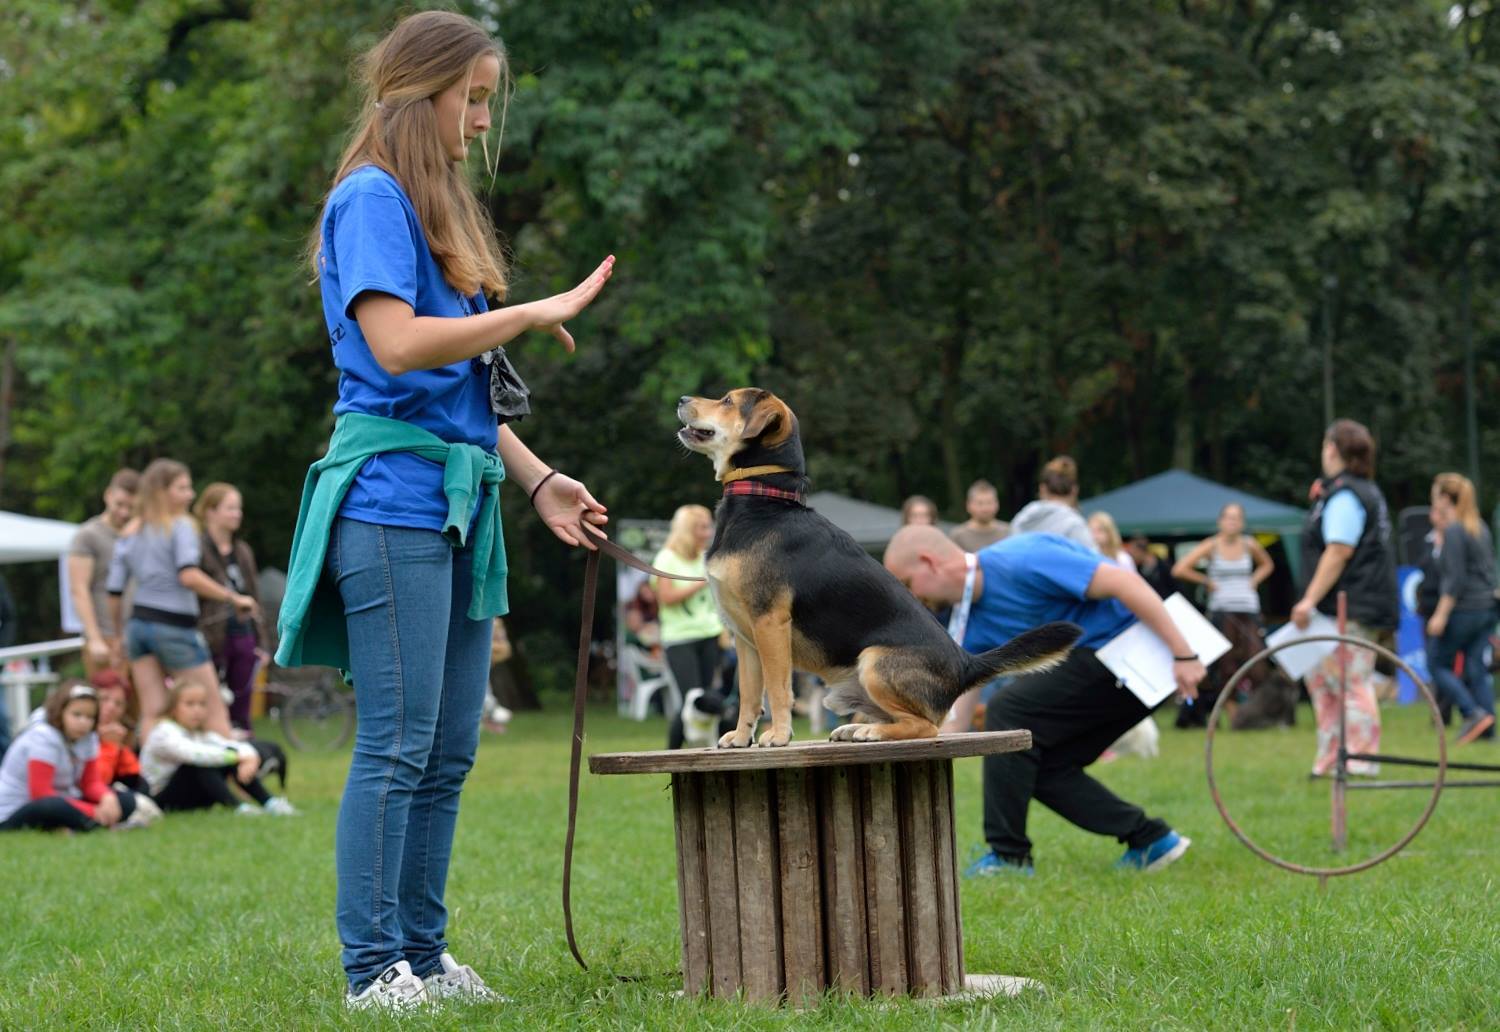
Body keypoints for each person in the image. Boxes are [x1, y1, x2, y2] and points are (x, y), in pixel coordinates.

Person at [274, 10, 614, 1011]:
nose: (478, 123)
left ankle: (423, 956)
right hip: (389, 504)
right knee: (398, 740)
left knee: (451, 746)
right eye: (471, 100)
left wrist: (543, 480)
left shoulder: (430, 211)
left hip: (462, 502)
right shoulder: (370, 196)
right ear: (422, 95)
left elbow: (463, 397)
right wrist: (531, 310)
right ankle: (372, 969)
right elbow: (396, 346)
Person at [884, 527, 1205, 875]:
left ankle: (1009, 856)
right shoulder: (971, 624)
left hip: (1129, 652)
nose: (911, 598)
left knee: (1009, 711)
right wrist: (912, 742)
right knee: (1036, 766)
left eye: (907, 583)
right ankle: (1150, 839)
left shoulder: (1023, 557)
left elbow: (1126, 584)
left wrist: (1184, 654)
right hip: (1106, 675)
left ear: (929, 563)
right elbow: (958, 716)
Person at [106, 459, 256, 746]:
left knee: (153, 712)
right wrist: (233, 597)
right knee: (214, 710)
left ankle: (152, 783)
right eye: (183, 488)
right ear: (162, 491)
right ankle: (230, 784)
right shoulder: (181, 525)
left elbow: (114, 591)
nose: (190, 495)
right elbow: (188, 575)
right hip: (173, 627)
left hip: (137, 627)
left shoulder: (130, 532)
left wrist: (117, 636)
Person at [1291, 420, 1398, 778]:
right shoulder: (1349, 492)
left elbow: (1338, 551)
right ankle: (1329, 760)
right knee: (1323, 684)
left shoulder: (1348, 495)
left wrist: (1307, 600)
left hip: (1350, 605)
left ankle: (1362, 760)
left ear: (1333, 449)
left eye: (1325, 445)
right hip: (1337, 606)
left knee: (1352, 681)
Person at [1170, 502, 1286, 728]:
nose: (1232, 522)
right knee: (1225, 666)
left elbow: (1267, 565)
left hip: (1248, 609)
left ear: (1242, 523)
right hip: (1223, 610)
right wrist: (1206, 581)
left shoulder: (1249, 544)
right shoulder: (1211, 545)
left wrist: (1253, 581)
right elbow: (1180, 568)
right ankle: (1233, 714)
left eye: (1237, 518)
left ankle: (1257, 713)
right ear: (1220, 521)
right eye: (1228, 518)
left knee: (1256, 664)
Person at [0, 683, 139, 833]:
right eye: (76, 714)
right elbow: (40, 793)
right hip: (17, 809)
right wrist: (92, 811)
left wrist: (107, 798)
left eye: (90, 717)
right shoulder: (43, 736)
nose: (83, 722)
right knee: (51, 806)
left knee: (126, 801)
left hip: (65, 799)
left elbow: (90, 782)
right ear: (60, 712)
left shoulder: (89, 737)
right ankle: (98, 823)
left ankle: (86, 824)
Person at [140, 681, 294, 815]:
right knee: (203, 763)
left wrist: (249, 757)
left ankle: (269, 803)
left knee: (223, 756)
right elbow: (192, 754)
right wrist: (238, 756)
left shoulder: (199, 734)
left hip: (195, 797)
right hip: (161, 799)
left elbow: (229, 745)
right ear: (173, 708)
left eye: (202, 704)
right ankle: (239, 808)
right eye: (190, 704)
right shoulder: (163, 732)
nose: (197, 710)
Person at [1424, 472, 1496, 745]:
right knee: (1477, 667)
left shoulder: (1454, 531)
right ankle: (1488, 729)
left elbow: (1454, 579)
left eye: (1434, 494)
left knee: (1436, 663)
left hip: (1463, 610)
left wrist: (1441, 614)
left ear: (1444, 498)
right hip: (1486, 609)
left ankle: (1471, 712)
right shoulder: (1479, 527)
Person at [194, 482, 268, 733]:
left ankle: (244, 763)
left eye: (239, 508)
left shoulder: (242, 551)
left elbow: (254, 597)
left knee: (242, 701)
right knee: (211, 700)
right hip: (211, 636)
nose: (237, 514)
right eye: (230, 508)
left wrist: (262, 642)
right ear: (210, 511)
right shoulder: (197, 549)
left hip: (243, 634)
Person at [652, 505, 724, 725]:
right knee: (692, 700)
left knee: (709, 698)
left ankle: (711, 749)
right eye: (702, 528)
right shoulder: (666, 558)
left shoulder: (707, 557)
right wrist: (701, 583)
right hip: (680, 638)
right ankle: (675, 748)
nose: (709, 533)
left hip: (710, 635)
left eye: (709, 526)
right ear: (687, 530)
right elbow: (666, 597)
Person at [67, 468, 139, 677]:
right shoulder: (88, 535)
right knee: (108, 705)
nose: (124, 512)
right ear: (108, 495)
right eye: (119, 504)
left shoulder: (141, 535)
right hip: (105, 638)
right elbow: (79, 589)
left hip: (137, 637)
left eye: (131, 507)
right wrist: (94, 638)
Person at [1010, 456, 1096, 551]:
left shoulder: (1021, 519)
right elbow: (1093, 560)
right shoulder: (1074, 524)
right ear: (1074, 490)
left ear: (1042, 488)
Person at [950, 479, 1009, 552]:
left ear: (997, 504)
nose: (985, 508)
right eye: (980, 503)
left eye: (989, 502)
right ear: (968, 505)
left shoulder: (1008, 533)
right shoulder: (958, 536)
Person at [1125, 534, 1177, 599]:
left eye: (1130, 549)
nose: (1128, 553)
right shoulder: (1135, 568)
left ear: (1139, 549)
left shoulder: (1165, 567)